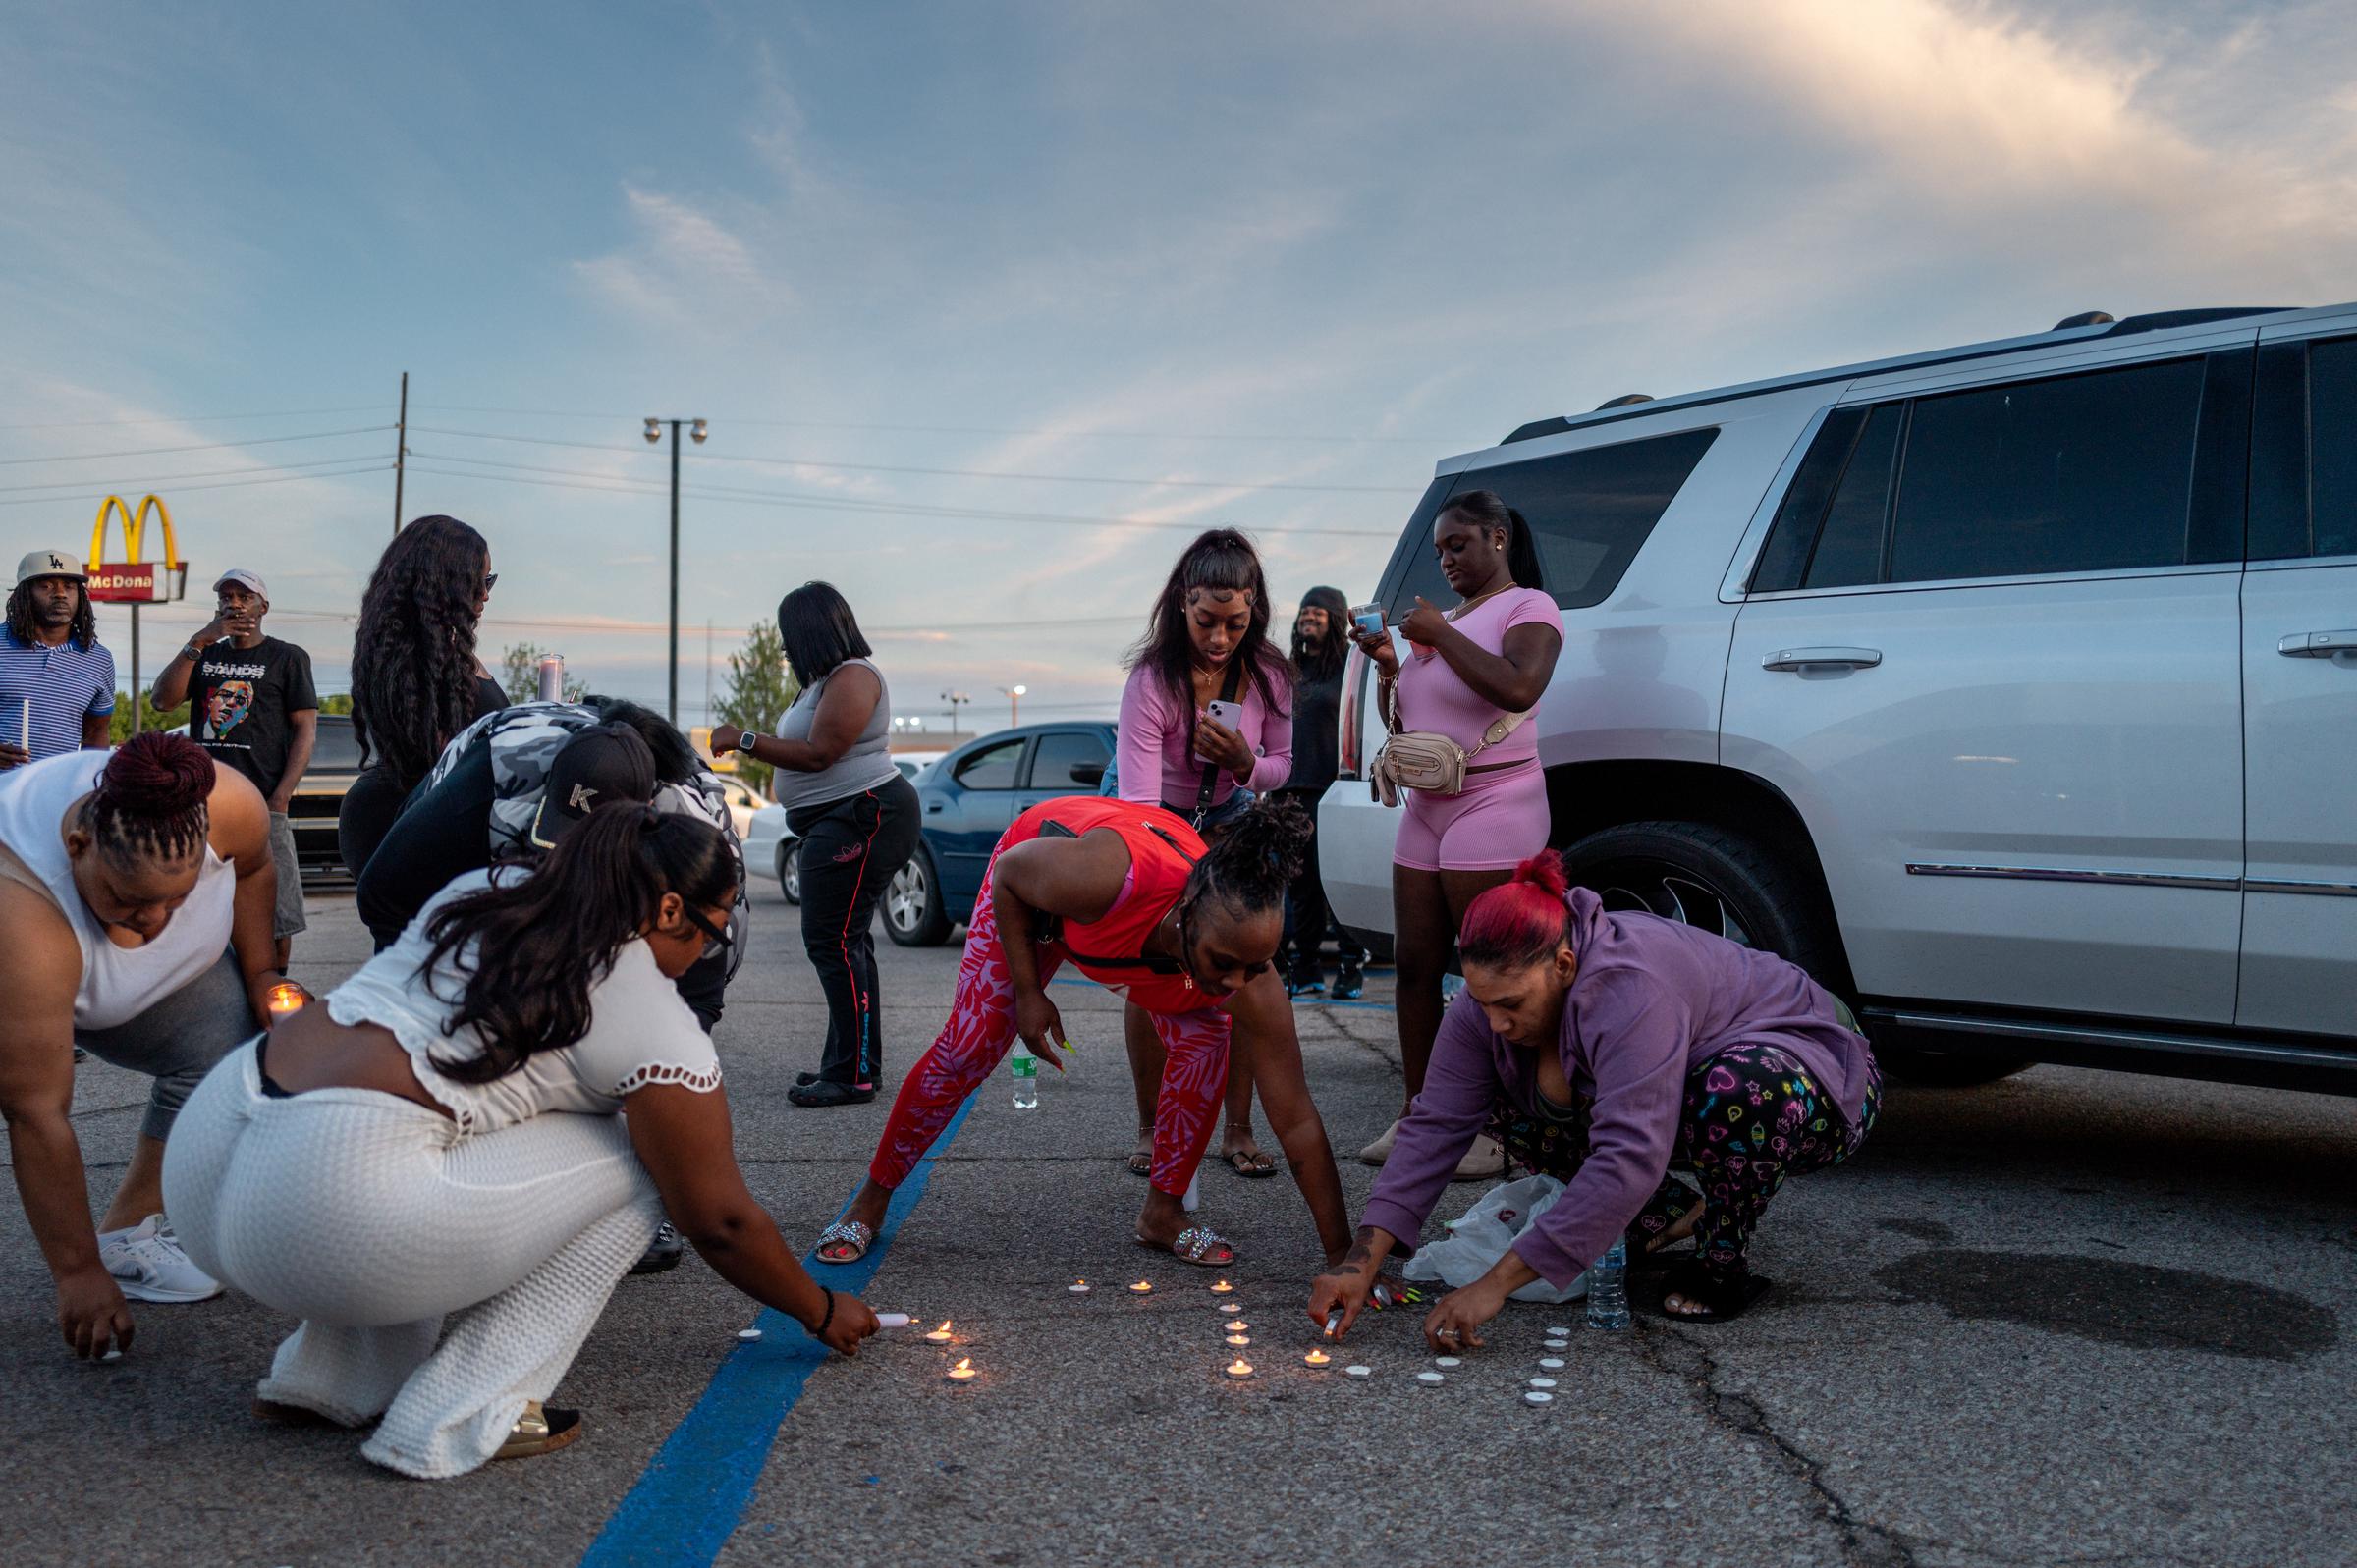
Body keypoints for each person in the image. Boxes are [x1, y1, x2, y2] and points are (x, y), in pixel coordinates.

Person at [162, 804, 883, 1479]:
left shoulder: (487, 887)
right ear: (668, 909)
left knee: (446, 1125)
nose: (701, 956)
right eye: (709, 932)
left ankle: (325, 1379)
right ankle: (464, 1409)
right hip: (325, 1211)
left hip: (209, 1149)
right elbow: (718, 1218)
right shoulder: (647, 1007)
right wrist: (818, 1308)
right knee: (642, 1161)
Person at [1307, 853, 1881, 1343]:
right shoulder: (1488, 1008)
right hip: (1687, 1078)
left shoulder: (1630, 988)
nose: (1497, 1022)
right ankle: (1665, 1213)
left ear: (1564, 964)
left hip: (1813, 1069)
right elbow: (1435, 1125)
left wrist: (1495, 1285)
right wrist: (1363, 1261)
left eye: (1510, 1003)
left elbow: (1630, 1150)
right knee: (1500, 1095)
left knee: (1736, 1091)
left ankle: (1720, 1261)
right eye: (1483, 1003)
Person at [813, 795, 1351, 1271]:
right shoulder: (1105, 877)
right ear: (1188, 912)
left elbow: (1296, 1116)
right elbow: (1009, 876)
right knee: (971, 1045)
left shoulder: (1247, 973)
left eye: (1254, 967)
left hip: (1141, 928)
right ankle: (871, 1200)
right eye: (1225, 962)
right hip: (1037, 891)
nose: (1236, 983)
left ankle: (1162, 1213)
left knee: (1207, 1040)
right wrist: (1029, 992)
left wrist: (1342, 1257)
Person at [0, 732, 290, 1358]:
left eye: (178, 899)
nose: (155, 922)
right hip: (19, 967)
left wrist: (264, 973)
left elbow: (257, 866)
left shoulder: (229, 804)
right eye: (131, 900)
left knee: (233, 1034)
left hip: (105, 981)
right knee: (25, 1085)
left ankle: (129, 1232)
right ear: (76, 847)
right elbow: (36, 1113)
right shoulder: (22, 914)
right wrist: (76, 1274)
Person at [1349, 489, 1561, 1178]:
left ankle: (1499, 1123)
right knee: (1412, 965)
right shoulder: (1450, 620)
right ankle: (1425, 1114)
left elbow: (1520, 686)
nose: (1446, 559)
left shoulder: (1528, 607)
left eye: (1458, 545)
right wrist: (1389, 662)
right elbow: (1409, 715)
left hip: (1496, 798)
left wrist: (1438, 635)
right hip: (1428, 803)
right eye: (1439, 549)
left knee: (1490, 972)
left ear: (1498, 538)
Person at [355, 698, 749, 1031]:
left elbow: (700, 994)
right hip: (494, 778)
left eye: (591, 848)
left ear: (643, 819)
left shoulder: (699, 849)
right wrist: (412, 1013)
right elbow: (385, 896)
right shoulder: (499, 780)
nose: (572, 864)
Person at [1114, 528, 1294, 1180]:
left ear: (1255, 611)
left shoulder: (1270, 674)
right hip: (1154, 812)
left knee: (1242, 967)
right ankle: (1152, 1126)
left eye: (1235, 623)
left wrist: (1246, 762)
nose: (1219, 637)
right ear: (1182, 603)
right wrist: (1187, 877)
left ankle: (1237, 1130)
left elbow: (1284, 765)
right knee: (1156, 968)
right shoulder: (1152, 680)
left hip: (1232, 809)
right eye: (1205, 621)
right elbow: (1137, 806)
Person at [711, 582, 920, 1108]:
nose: (784, 648)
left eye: (789, 637)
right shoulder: (823, 682)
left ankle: (851, 1074)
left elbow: (820, 752)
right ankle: (855, 1064)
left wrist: (745, 739)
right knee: (847, 942)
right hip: (841, 817)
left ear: (811, 631)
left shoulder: (854, 675)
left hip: (863, 814)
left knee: (832, 942)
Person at [151, 568, 318, 969]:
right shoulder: (205, 654)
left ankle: (273, 989)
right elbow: (162, 701)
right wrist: (198, 641)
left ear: (264, 606)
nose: (235, 603)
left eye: (244, 596)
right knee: (196, 910)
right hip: (202, 806)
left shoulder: (287, 657)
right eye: (227, 596)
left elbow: (305, 731)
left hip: (263, 805)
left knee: (277, 917)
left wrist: (280, 797)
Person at [339, 516, 508, 882]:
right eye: (478, 581)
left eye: (489, 581)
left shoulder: (446, 651)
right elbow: (439, 757)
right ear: (443, 581)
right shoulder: (414, 661)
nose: (486, 594)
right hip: (420, 830)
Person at [1275, 584, 1366, 1000]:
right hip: (1290, 792)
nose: (1307, 618)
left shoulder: (1350, 668)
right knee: (1302, 889)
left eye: (1316, 612)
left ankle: (1350, 970)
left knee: (1339, 885)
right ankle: (1307, 968)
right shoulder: (1289, 671)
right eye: (1303, 612)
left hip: (1336, 792)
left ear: (1334, 616)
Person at [0, 548, 115, 773]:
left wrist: (90, 783)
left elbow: (96, 733)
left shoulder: (99, 659)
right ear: (24, 593)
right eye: (47, 586)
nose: (60, 594)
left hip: (54, 791)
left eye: (69, 586)